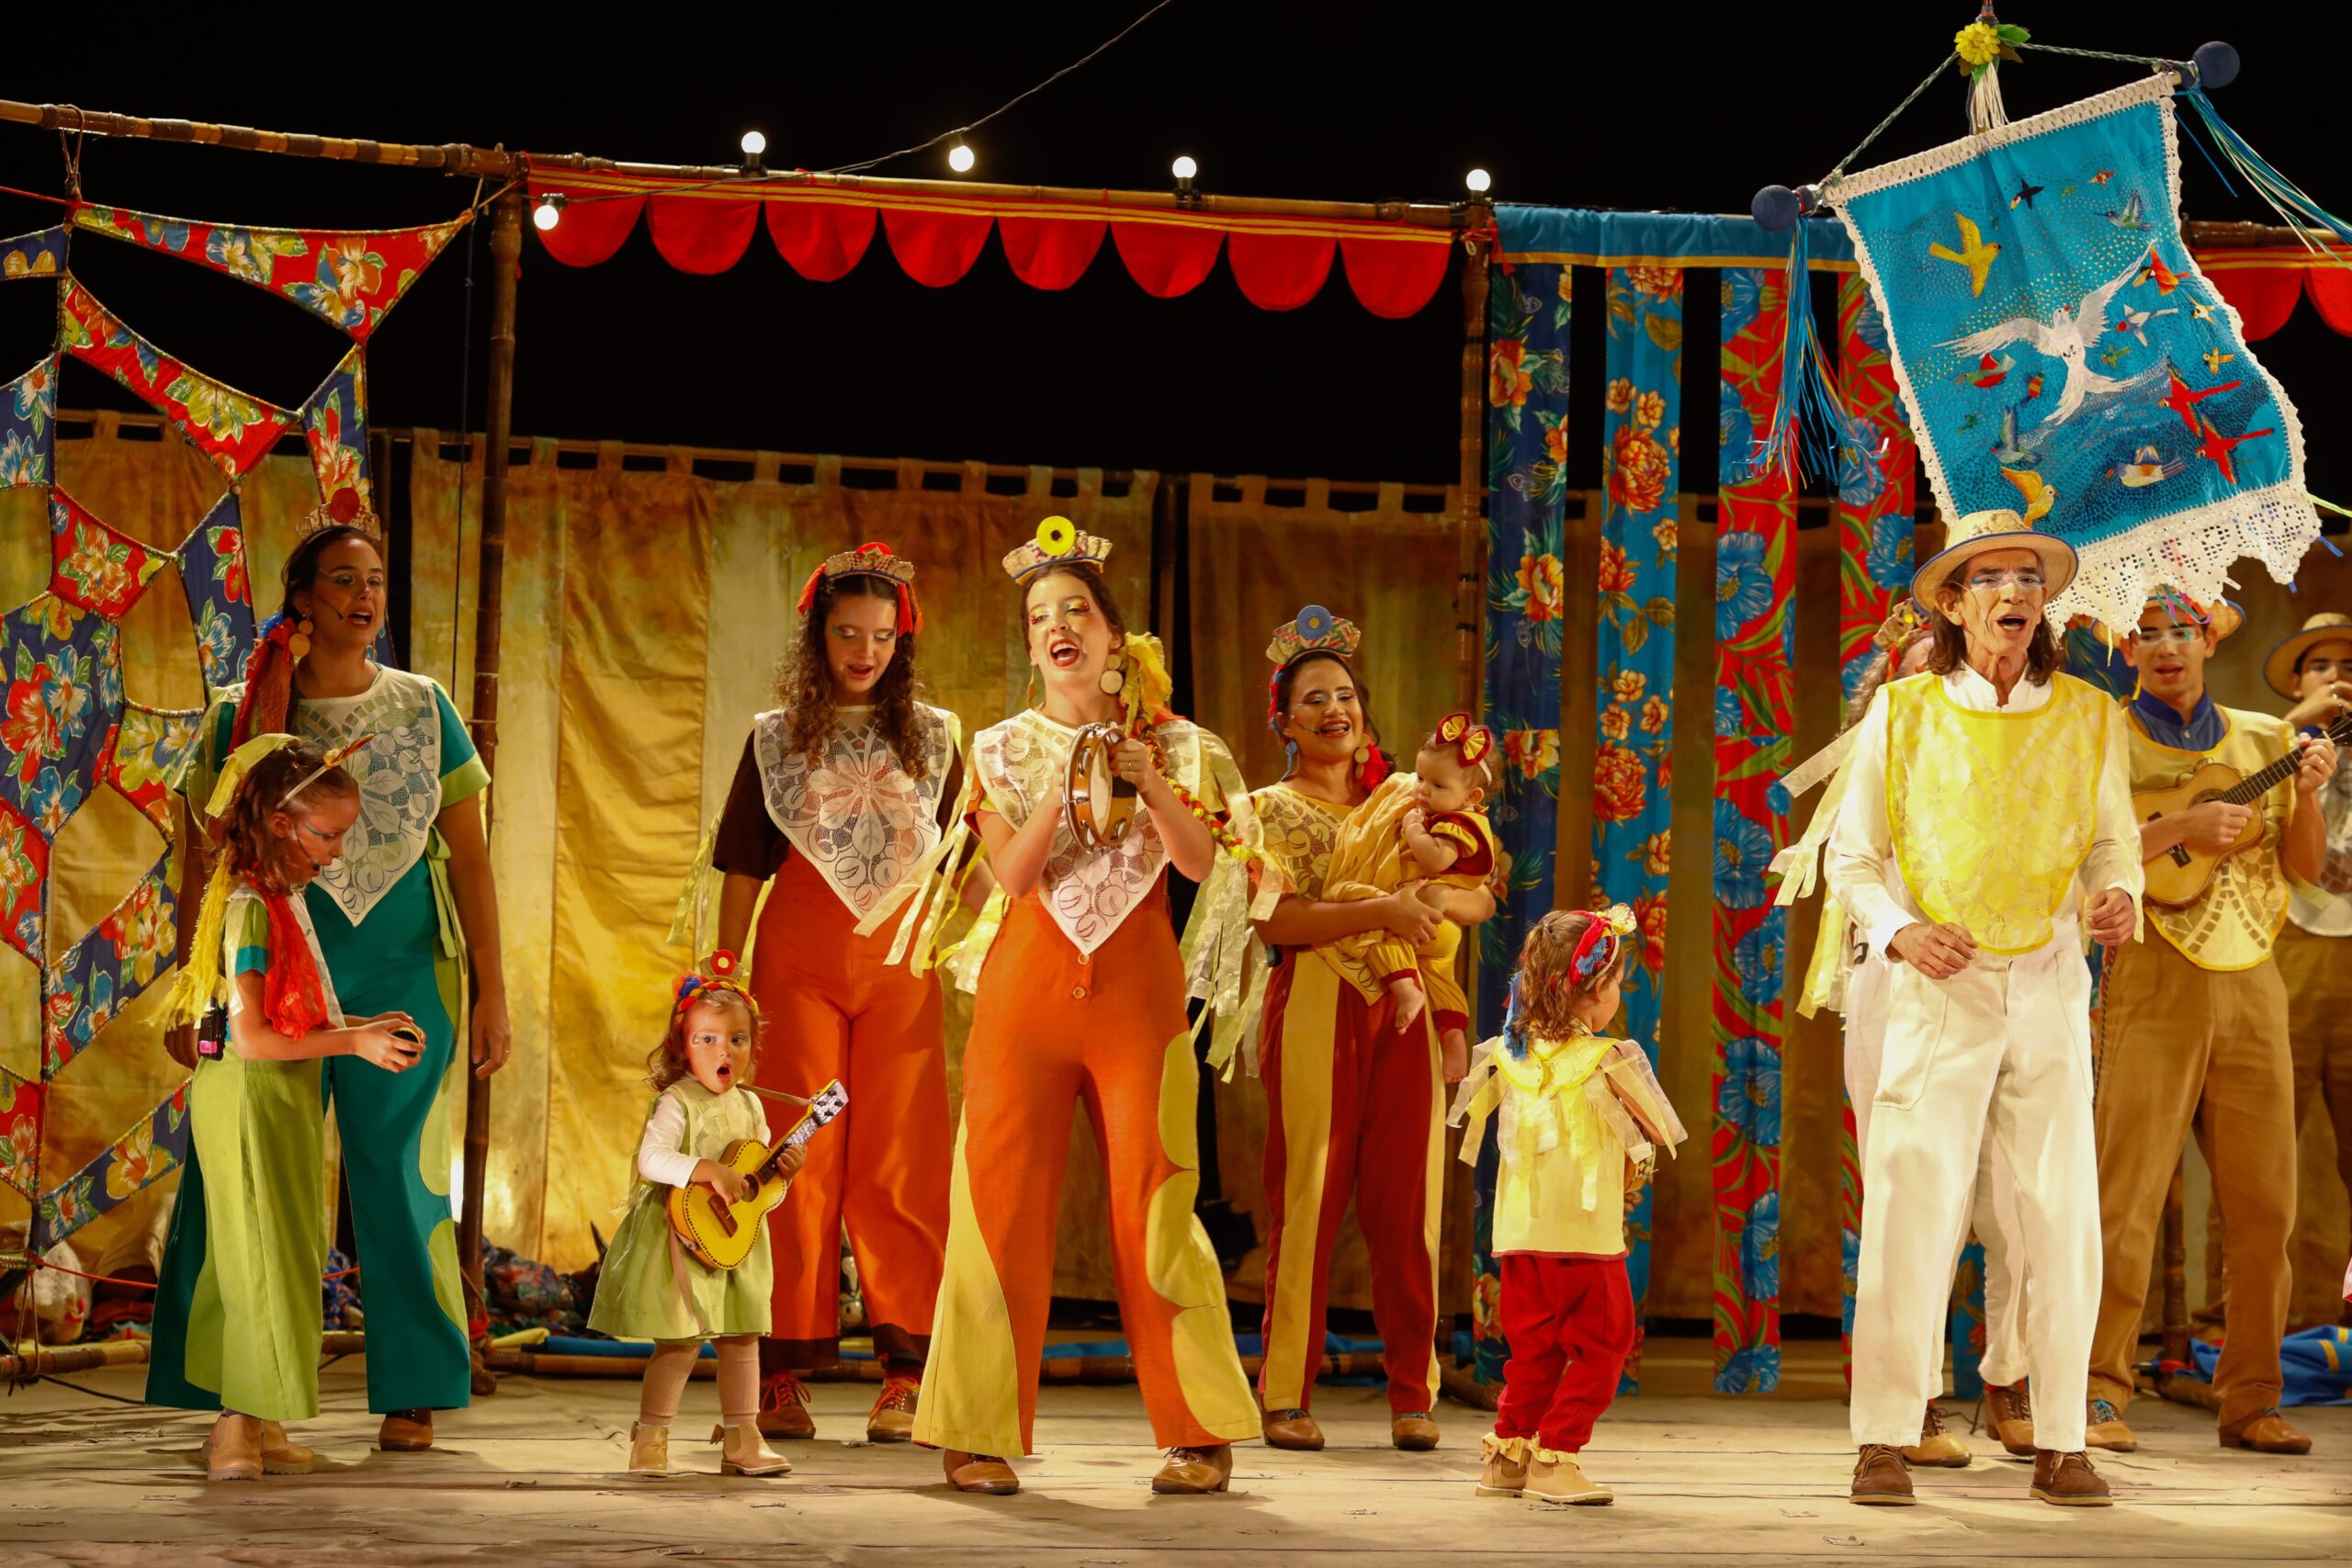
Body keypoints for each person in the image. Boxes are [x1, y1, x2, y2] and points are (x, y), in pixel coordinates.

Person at [910, 518, 1261, 1496]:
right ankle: (975, 1430)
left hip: (1137, 997)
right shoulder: (999, 748)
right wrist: (1059, 796)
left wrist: (1151, 783)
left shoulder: (1180, 745)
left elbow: (1197, 863)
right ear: (1032, 649)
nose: (1057, 627)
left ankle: (1197, 1430)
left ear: (1114, 636)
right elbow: (1015, 879)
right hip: (1024, 995)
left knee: (1159, 1199)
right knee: (996, 1204)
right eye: (1039, 618)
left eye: (1075, 611)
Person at [155, 489, 510, 1453]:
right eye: (344, 579)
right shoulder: (243, 712)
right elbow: (203, 861)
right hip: (270, 967)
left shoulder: (423, 706)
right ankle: (240, 1392)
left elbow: (472, 860)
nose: (364, 596)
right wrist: (192, 989)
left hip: (405, 964)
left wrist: (493, 991)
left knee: (400, 1173)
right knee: (257, 1175)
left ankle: (414, 1384)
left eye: (376, 581)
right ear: (302, 598)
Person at [1825, 509, 2141, 1507]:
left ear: (2045, 603)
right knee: (1910, 1208)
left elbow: (2112, 842)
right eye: (1991, 579)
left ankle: (2061, 1440)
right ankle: (1884, 1435)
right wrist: (1899, 932)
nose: (2014, 594)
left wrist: (2118, 894)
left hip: (2047, 984)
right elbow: (1852, 859)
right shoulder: (1903, 712)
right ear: (1954, 606)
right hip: (1939, 987)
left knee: (2061, 1216)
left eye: (2029, 579)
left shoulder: (2089, 716)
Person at [703, 542, 974, 1444]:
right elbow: (745, 863)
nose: (865, 652)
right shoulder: (776, 736)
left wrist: (999, 935)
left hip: (902, 964)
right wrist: (723, 972)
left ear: (904, 641)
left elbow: (970, 860)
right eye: (848, 634)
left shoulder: (935, 736)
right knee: (796, 1155)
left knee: (898, 1159)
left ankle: (906, 1373)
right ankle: (778, 1372)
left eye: (882, 637)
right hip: (798, 961)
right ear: (818, 635)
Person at [1776, 607, 2037, 1463]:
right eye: (1922, 669)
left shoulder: (2013, 756)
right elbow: (1853, 875)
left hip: (2006, 986)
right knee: (1915, 1198)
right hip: (1900, 985)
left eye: (1949, 667)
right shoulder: (1878, 764)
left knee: (2020, 1198)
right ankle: (1913, 1397)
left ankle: (2011, 1373)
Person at [2088, 592, 2338, 1457]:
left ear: (2206, 642)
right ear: (2126, 647)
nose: (2167, 647)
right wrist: (2181, 826)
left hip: (2255, 978)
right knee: (2124, 1197)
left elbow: (2305, 869)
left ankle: (2252, 1397)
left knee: (2266, 1207)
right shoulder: (2103, 736)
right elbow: (2079, 852)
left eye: (2182, 631)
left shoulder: (2266, 737)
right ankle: (2098, 1390)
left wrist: (2310, 795)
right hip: (2153, 972)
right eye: (2148, 633)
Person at [1244, 607, 1491, 1454]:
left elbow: (1473, 895)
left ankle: (1413, 1392)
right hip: (1317, 997)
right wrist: (1386, 909)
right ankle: (1285, 1392)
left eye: (1344, 694)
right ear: (1284, 722)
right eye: (1313, 699)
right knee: (1306, 1197)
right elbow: (1275, 920)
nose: (1334, 709)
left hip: (1406, 1006)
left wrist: (1439, 904)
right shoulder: (1265, 810)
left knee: (1407, 1203)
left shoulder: (1407, 800)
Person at [145, 734, 426, 1480]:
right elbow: (252, 1038)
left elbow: (291, 1019)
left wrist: (363, 1026)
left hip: (282, 1098)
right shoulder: (249, 909)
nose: (336, 852)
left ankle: (263, 1416)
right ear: (278, 823)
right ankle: (233, 1426)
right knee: (257, 1259)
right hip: (249, 1097)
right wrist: (353, 1044)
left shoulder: (284, 900)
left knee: (286, 1250)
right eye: (326, 835)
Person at [1450, 906, 1685, 1506]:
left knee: (1534, 1350)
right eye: (1617, 983)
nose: (1617, 995)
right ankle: (1557, 1454)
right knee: (1604, 1343)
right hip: (1583, 1237)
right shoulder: (1608, 1057)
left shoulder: (1509, 1054)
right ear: (1598, 989)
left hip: (1520, 1234)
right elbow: (1659, 1128)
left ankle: (1509, 1454)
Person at [590, 952, 803, 1479]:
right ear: (681, 1046)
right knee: (681, 1340)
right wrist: (705, 1169)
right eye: (706, 1038)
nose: (723, 1050)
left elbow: (754, 1184)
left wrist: (782, 1170)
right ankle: (651, 1436)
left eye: (737, 1039)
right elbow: (651, 1159)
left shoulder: (751, 1106)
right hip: (680, 1237)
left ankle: (743, 1436)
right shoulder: (677, 1101)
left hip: (735, 1240)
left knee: (742, 1336)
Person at [1321, 712, 1500, 1080]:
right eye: (1420, 778)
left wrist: (1413, 829)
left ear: (1472, 797)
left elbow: (1436, 859)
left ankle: (1406, 991)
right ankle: (1453, 1034)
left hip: (1425, 918)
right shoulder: (1447, 811)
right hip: (1442, 929)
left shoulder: (1455, 822)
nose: (1421, 791)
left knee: (1380, 939)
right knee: (1440, 978)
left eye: (1437, 785)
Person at [2266, 612, 2352, 1295]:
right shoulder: (2267, 744)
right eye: (2321, 666)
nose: (2337, 679)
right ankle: (2229, 1327)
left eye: (2349, 667)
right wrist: (2296, 725)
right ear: (2298, 682)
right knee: (2262, 1149)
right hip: (2286, 951)